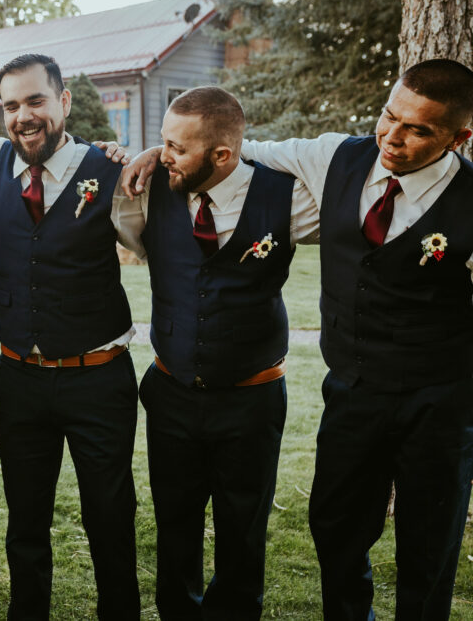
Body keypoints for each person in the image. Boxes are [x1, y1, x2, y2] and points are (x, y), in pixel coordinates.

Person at [123, 59, 473, 620]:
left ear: (460, 137)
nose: (393, 136)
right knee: (336, 528)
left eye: (418, 129)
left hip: (439, 400)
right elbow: (240, 147)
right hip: (352, 392)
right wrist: (161, 152)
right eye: (389, 116)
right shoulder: (336, 156)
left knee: (428, 544)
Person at [0, 53, 140, 619]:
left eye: (35, 100)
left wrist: (134, 155)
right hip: (18, 378)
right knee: (25, 523)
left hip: (99, 379)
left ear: (63, 102)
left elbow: (153, 242)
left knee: (111, 518)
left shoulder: (111, 168)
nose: (23, 115)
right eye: (11, 105)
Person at [113, 86, 318, 619]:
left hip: (252, 401)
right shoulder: (152, 185)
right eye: (162, 142)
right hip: (171, 393)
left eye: (177, 147)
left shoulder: (287, 197)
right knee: (174, 524)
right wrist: (148, 154)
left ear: (223, 155)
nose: (164, 155)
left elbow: (352, 180)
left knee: (243, 530)